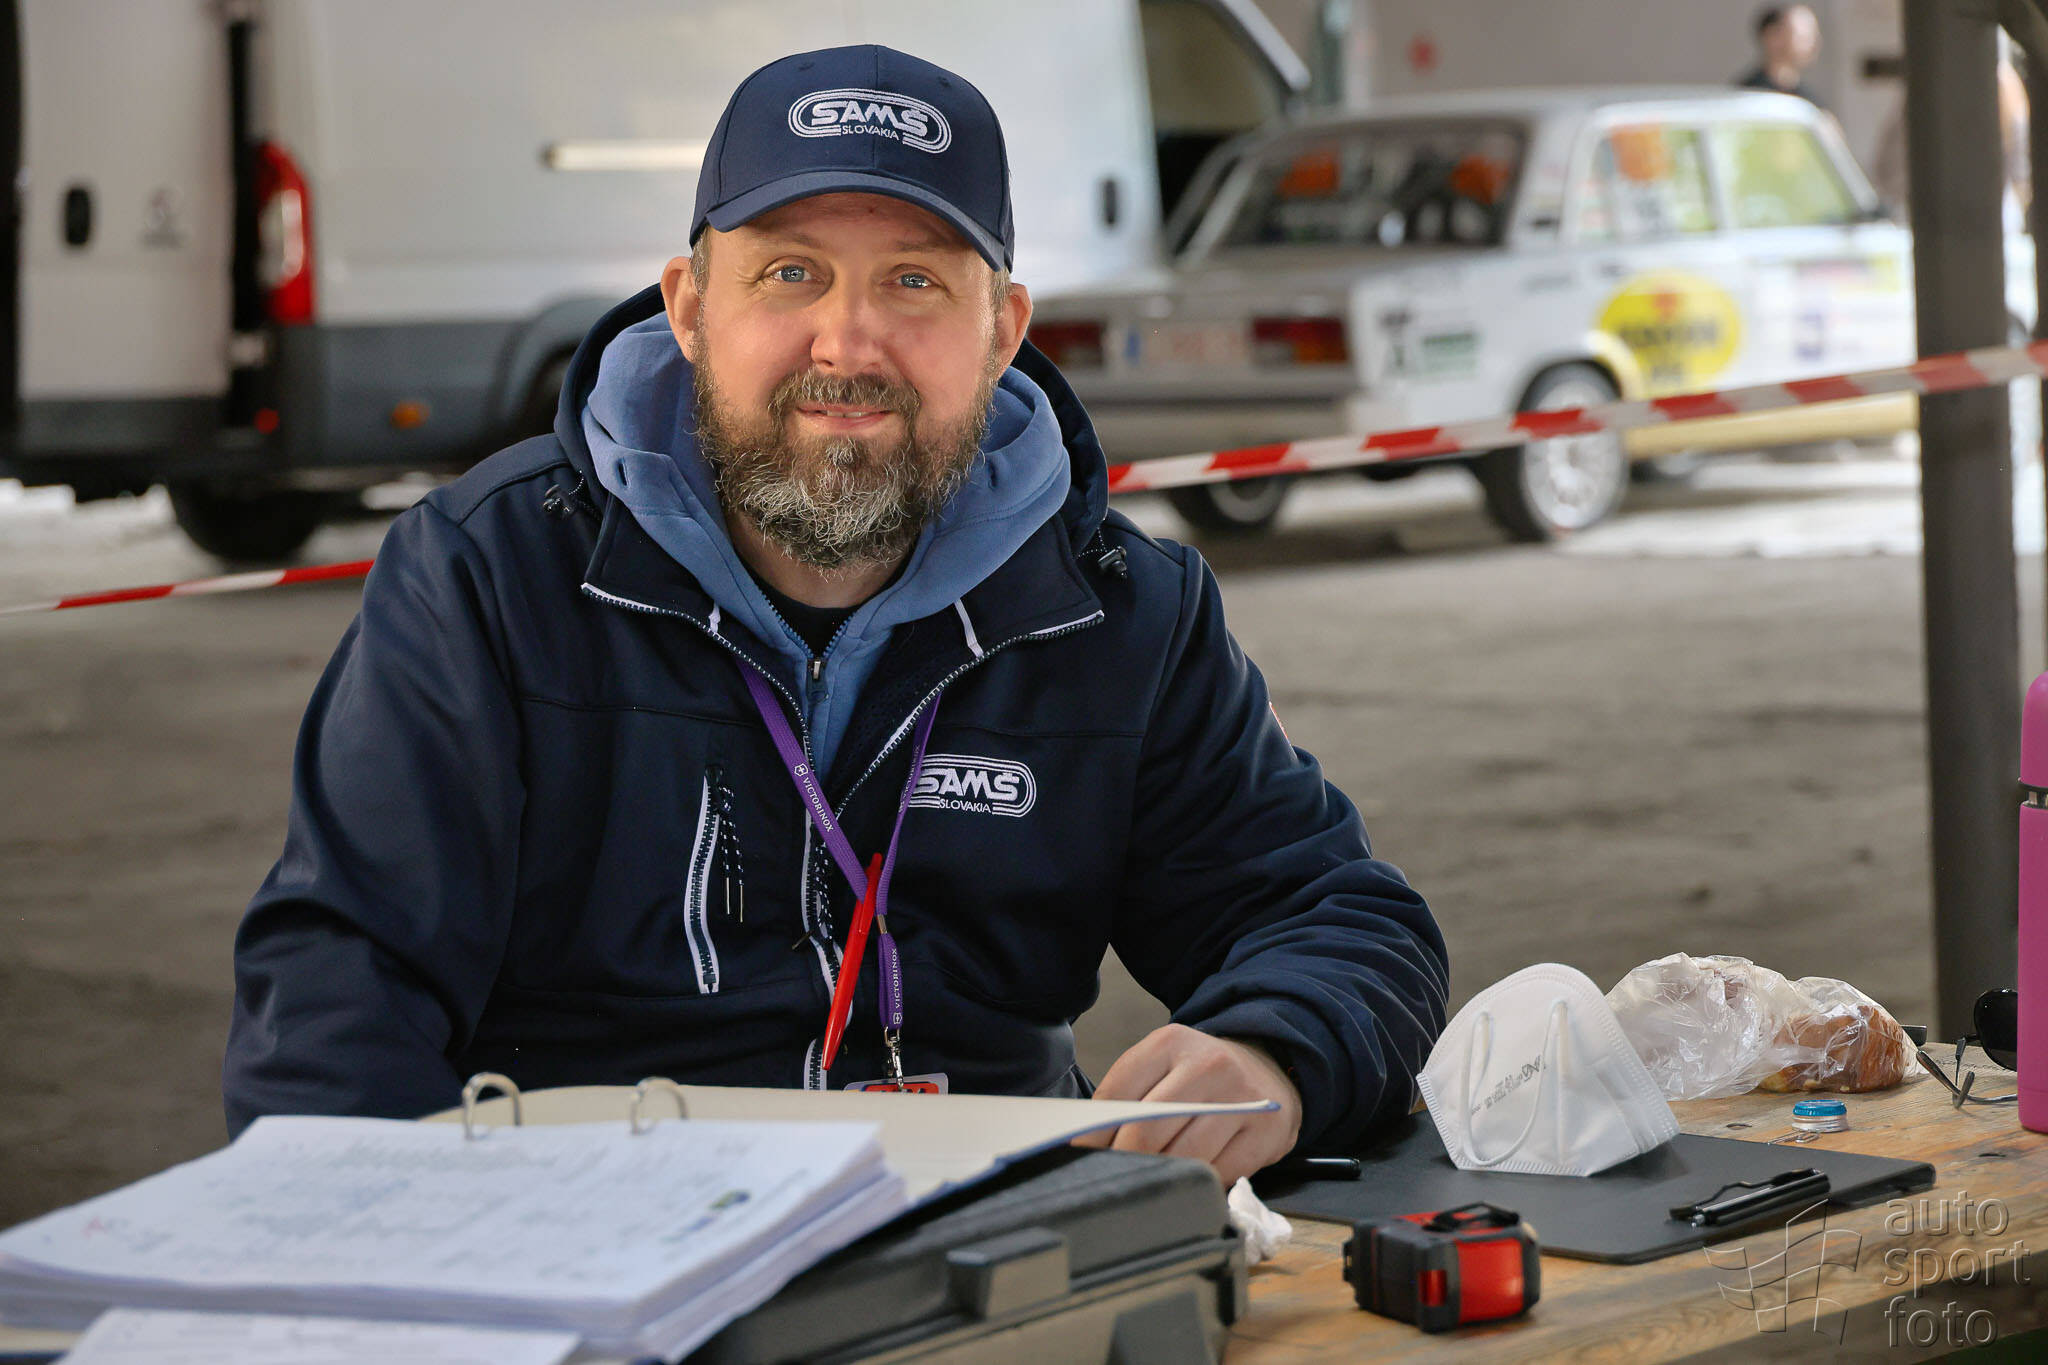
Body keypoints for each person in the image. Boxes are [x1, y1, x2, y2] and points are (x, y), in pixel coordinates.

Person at [222, 45, 1450, 1185]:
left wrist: (1273, 1049)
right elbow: (338, 1004)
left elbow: (1340, 920)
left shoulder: (1121, 611)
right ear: (688, 309)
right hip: (590, 1242)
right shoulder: (488, 578)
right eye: (789, 273)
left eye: (913, 281)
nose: (846, 342)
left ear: (1001, 331)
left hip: (983, 1247)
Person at [1736, 4, 1826, 108]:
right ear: (1773, 36)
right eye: (1802, 36)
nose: (1813, 44)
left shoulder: (1810, 101)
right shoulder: (1746, 97)